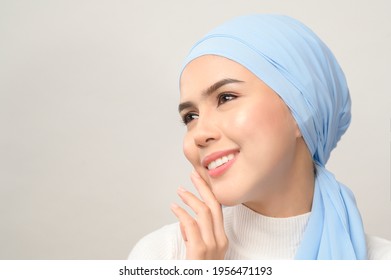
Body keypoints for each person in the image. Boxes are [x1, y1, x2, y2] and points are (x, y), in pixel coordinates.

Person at [128, 14, 391, 260]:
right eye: (191, 117)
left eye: (226, 98)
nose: (200, 134)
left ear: (301, 112)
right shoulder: (165, 254)